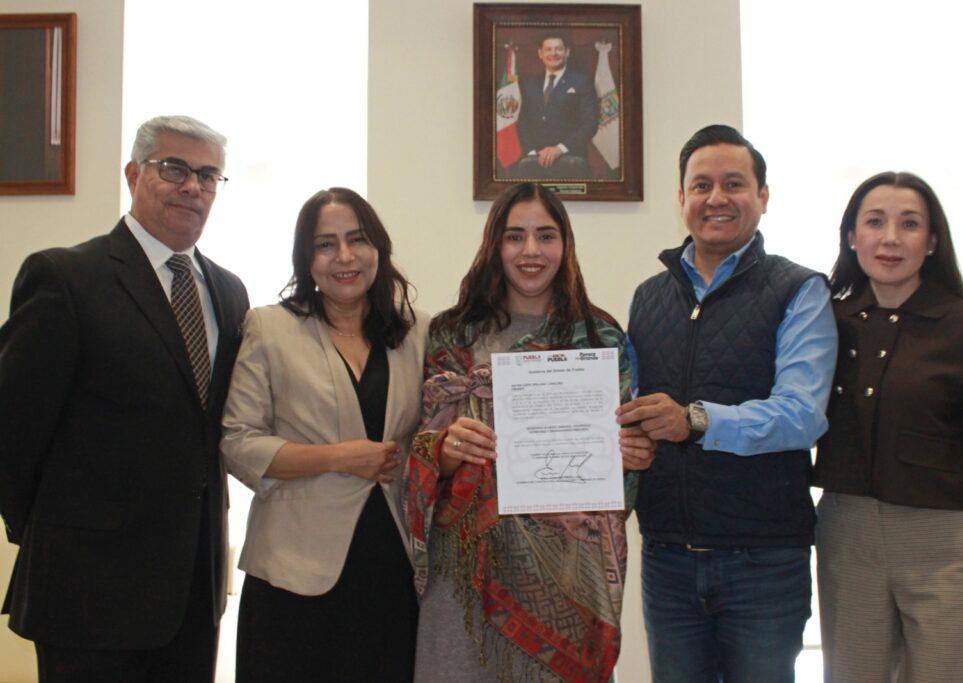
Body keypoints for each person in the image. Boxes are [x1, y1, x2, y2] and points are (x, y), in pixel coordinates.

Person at [0, 115, 249, 681]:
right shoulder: (66, 277)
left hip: (193, 588)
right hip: (86, 589)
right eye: (174, 169)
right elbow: (12, 429)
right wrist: (51, 531)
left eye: (208, 176)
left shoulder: (229, 291)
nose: (193, 187)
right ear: (134, 174)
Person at [407, 182, 654, 682]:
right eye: (515, 236)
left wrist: (631, 455)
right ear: (494, 245)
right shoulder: (452, 334)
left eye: (546, 235)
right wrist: (449, 450)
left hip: (567, 577)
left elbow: (622, 467)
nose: (531, 251)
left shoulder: (600, 337)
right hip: (466, 573)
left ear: (566, 244)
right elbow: (422, 447)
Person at [618, 124, 838, 682]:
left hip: (763, 562)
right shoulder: (648, 297)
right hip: (667, 556)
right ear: (681, 198)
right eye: (702, 185)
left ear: (763, 195)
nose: (716, 198)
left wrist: (693, 421)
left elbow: (802, 415)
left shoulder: (799, 290)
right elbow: (632, 406)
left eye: (734, 184)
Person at [813, 172, 963, 682]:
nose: (890, 238)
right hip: (849, 537)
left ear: (931, 242)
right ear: (851, 236)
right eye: (875, 222)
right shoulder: (824, 325)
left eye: (909, 224)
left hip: (947, 545)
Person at [220, 188, 427, 681]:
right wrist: (338, 457)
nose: (344, 256)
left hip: (391, 565)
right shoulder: (270, 327)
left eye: (358, 239)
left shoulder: (417, 333)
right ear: (306, 258)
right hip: (293, 570)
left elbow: (429, 437)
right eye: (325, 244)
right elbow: (238, 442)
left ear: (379, 248)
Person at [515, 33, 598, 179]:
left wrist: (559, 149)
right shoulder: (529, 84)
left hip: (571, 160)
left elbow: (590, 123)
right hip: (534, 161)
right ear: (540, 54)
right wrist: (532, 154)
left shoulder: (582, 81)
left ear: (567, 52)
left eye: (558, 49)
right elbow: (523, 122)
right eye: (548, 49)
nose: (553, 53)